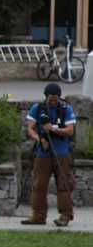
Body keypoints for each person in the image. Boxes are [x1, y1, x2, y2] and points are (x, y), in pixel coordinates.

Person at [22, 82, 76, 227]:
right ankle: (38, 215)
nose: (53, 102)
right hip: (43, 153)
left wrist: (52, 129)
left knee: (64, 184)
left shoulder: (66, 109)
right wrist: (39, 138)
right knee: (39, 185)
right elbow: (31, 129)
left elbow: (69, 130)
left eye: (55, 100)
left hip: (62, 153)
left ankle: (65, 215)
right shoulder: (37, 108)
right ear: (46, 97)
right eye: (50, 100)